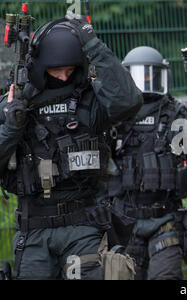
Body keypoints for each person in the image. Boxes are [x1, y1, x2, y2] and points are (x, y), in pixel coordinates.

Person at [0, 16, 142, 279]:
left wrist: (92, 43)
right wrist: (11, 126)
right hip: (33, 232)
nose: (64, 76)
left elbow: (128, 101)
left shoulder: (91, 102)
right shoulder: (16, 102)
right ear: (41, 67)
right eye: (56, 71)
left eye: (70, 69)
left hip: (82, 227)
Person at [109, 46, 187, 280]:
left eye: (150, 73)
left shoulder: (178, 115)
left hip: (165, 217)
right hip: (124, 220)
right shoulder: (114, 115)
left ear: (160, 76)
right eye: (138, 74)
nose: (144, 79)